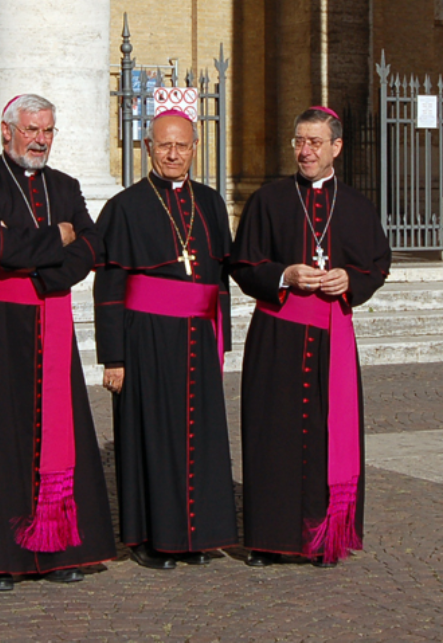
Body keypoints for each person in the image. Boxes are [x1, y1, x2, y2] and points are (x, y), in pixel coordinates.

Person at [0, 94, 116, 592]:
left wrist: (51, 274)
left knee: (56, 433)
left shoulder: (64, 185)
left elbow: (93, 244)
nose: (40, 140)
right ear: (6, 131)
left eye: (48, 130)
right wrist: (58, 236)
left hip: (50, 315)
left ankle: (58, 550)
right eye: (31, 130)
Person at [230, 106, 391, 568]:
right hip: (277, 335)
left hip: (330, 336)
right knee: (270, 433)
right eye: (299, 141)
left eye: (315, 142)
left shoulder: (357, 206)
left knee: (325, 435)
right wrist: (284, 274)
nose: (305, 151)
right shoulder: (268, 200)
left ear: (336, 147)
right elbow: (243, 264)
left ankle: (325, 537)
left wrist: (350, 281)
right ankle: (266, 538)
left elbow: (377, 264)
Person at [94, 110, 237, 569]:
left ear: (195, 148)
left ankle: (194, 533)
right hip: (145, 336)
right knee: (149, 434)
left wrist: (222, 339)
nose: (173, 154)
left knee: (199, 436)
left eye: (183, 145)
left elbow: (220, 279)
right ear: (148, 148)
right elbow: (110, 286)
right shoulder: (124, 207)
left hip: (198, 335)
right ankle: (147, 538)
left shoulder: (211, 203)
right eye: (164, 146)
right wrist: (112, 356)